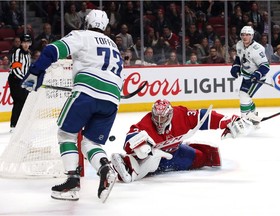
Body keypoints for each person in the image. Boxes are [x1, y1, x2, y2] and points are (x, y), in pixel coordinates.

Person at [21, 10, 123, 202]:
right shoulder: (114, 46)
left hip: (86, 92)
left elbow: (52, 50)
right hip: (112, 98)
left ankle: (72, 182)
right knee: (90, 143)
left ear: (86, 22)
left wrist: (36, 70)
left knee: (66, 134)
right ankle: (105, 168)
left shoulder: (81, 36)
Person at [110, 99, 253, 183]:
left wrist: (227, 121)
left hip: (175, 151)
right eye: (156, 117)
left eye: (163, 118)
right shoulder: (146, 124)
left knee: (202, 159)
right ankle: (127, 164)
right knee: (148, 163)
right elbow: (129, 140)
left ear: (170, 114)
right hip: (156, 158)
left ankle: (190, 147)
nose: (159, 122)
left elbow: (203, 117)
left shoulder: (181, 115)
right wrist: (141, 145)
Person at [230, 26, 270, 125]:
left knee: (244, 96)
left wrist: (256, 75)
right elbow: (239, 59)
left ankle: (245, 120)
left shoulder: (258, 49)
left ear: (252, 36)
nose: (245, 37)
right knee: (243, 95)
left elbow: (265, 66)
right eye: (243, 35)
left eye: (248, 35)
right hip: (246, 76)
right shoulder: (239, 44)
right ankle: (253, 115)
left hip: (256, 78)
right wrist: (235, 67)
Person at [8, 34, 32, 132]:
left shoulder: (28, 54)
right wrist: (24, 80)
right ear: (21, 43)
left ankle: (19, 124)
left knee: (24, 101)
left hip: (23, 80)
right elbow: (16, 69)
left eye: (28, 42)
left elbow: (28, 69)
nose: (26, 44)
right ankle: (14, 125)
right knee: (19, 101)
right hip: (15, 80)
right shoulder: (17, 52)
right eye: (24, 42)